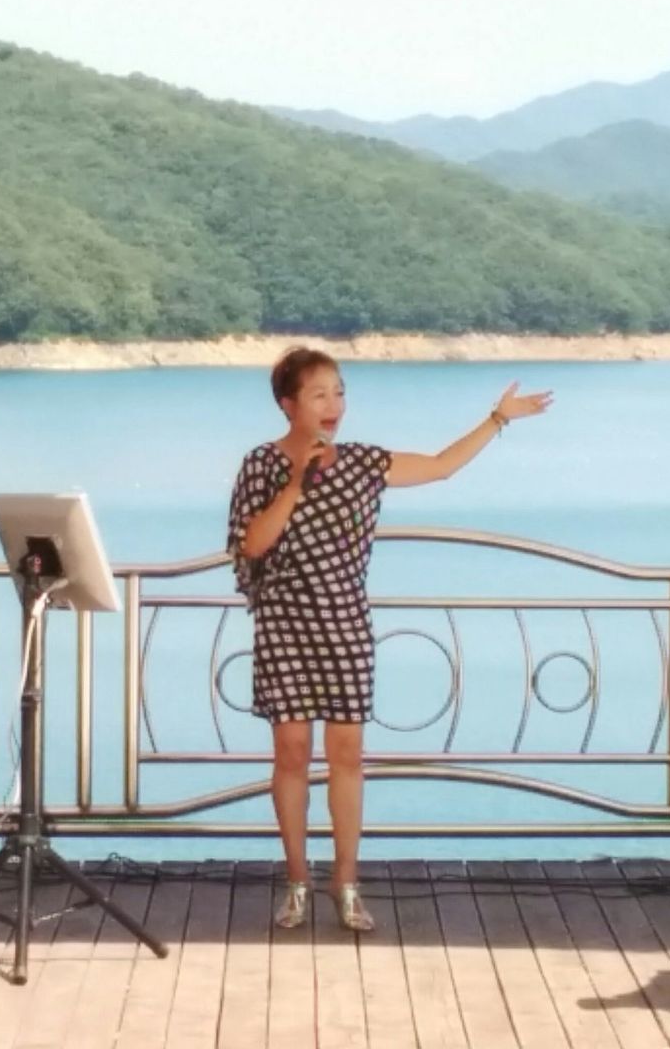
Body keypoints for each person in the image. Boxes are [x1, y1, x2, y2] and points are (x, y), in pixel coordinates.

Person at [226, 346, 552, 932]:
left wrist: (497, 418)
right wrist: (296, 484)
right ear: (288, 405)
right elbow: (252, 544)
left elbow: (441, 465)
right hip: (283, 627)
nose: (333, 405)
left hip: (345, 624)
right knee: (292, 754)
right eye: (319, 394)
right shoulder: (260, 464)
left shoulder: (363, 462)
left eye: (339, 392)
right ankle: (297, 881)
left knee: (347, 756)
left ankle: (346, 882)